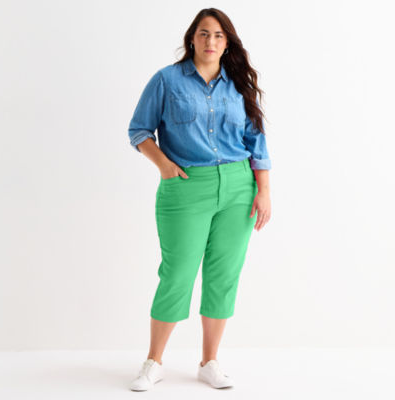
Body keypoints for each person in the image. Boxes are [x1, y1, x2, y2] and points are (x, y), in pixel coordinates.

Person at [127, 8, 272, 391]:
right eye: (204, 33)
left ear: (228, 43)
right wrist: (164, 165)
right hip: (186, 186)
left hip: (239, 187)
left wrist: (264, 191)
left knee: (223, 276)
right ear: (192, 38)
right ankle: (153, 362)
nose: (211, 41)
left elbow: (256, 141)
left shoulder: (238, 84)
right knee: (177, 273)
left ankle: (209, 362)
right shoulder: (167, 80)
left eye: (219, 35)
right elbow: (139, 130)